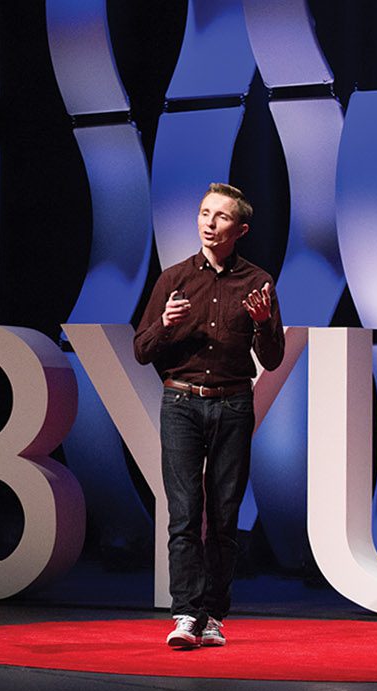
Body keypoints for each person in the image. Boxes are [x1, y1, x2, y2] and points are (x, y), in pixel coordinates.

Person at [133, 182, 285, 648]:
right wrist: (166, 325)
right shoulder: (174, 278)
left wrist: (262, 324)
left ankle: (214, 616)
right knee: (183, 513)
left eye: (220, 217)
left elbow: (274, 358)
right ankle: (184, 614)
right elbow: (142, 350)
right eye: (203, 213)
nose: (208, 223)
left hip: (234, 403)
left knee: (223, 516)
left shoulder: (257, 282)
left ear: (240, 229)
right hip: (180, 402)